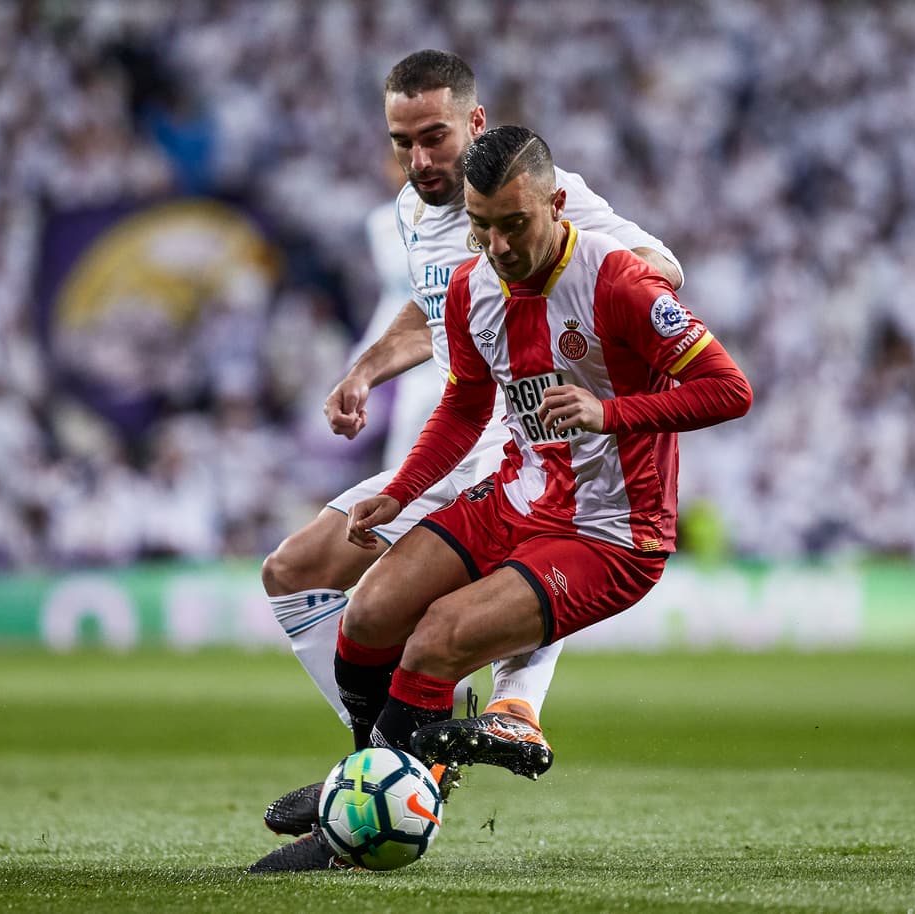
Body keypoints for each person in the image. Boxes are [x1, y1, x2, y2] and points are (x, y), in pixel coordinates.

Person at [250, 125, 751, 872]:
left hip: (610, 532)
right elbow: (461, 409)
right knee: (369, 617)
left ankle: (353, 832)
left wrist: (608, 412)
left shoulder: (620, 281)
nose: (499, 245)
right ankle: (375, 776)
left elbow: (729, 390)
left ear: (557, 204)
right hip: (518, 492)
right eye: (483, 226)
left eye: (514, 224)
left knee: (437, 639)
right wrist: (402, 493)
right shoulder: (471, 284)